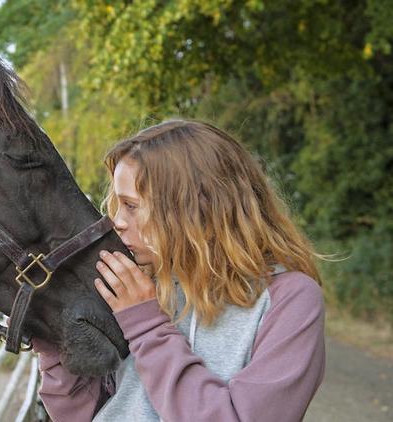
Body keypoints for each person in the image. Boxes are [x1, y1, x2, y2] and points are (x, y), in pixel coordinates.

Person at [33, 119, 325, 421]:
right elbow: (80, 414)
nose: (116, 222)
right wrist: (54, 342)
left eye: (131, 206)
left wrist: (147, 326)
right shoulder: (137, 286)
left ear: (196, 209)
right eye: (117, 206)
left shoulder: (290, 299)